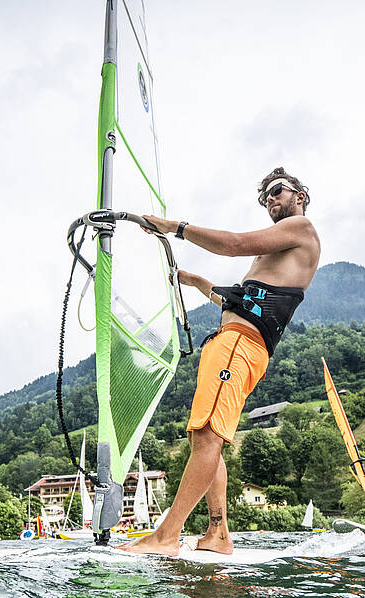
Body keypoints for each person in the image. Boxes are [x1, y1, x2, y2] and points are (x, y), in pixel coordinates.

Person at [119, 166, 320, 557]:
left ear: (300, 195)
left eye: (277, 192)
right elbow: (242, 303)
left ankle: (166, 536)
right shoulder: (279, 251)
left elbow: (231, 244)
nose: (270, 201)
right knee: (203, 437)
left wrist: (174, 227)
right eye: (265, 199)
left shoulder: (302, 228)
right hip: (233, 343)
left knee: (208, 435)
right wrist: (195, 282)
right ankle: (218, 534)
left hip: (239, 346)